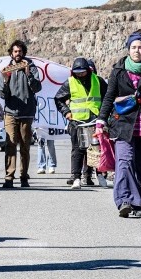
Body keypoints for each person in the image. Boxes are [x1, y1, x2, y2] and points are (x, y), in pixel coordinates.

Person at [97, 29, 141, 218]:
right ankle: (125, 201)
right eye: (133, 47)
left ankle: (139, 203)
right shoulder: (118, 71)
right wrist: (101, 119)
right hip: (123, 124)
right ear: (128, 49)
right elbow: (109, 96)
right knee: (124, 162)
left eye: (140, 47)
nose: (137, 51)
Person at [0, 40, 42, 188]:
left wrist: (29, 74)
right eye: (15, 51)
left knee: (24, 146)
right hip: (10, 112)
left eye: (20, 52)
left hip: (26, 113)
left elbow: (37, 88)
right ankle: (9, 178)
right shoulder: (7, 69)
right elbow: (2, 94)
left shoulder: (32, 67)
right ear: (11, 53)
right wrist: (5, 81)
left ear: (23, 53)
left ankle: (24, 177)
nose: (18, 54)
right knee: (10, 145)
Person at [54, 57, 102, 189]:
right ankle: (76, 178)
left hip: (94, 121)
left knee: (97, 150)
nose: (80, 74)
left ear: (88, 70)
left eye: (82, 71)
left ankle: (100, 175)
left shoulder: (98, 80)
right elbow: (58, 99)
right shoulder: (69, 82)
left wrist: (103, 116)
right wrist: (66, 112)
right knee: (78, 150)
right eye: (77, 72)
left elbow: (107, 98)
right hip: (77, 122)